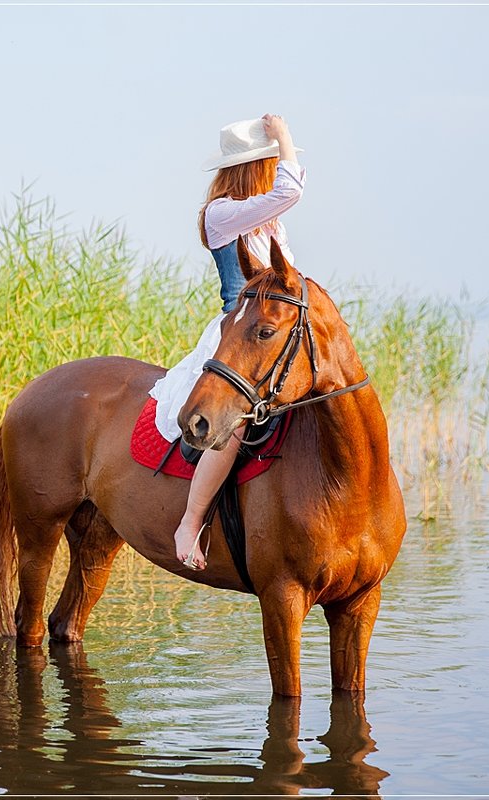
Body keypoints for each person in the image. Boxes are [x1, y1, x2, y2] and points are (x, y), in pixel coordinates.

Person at [149, 113, 305, 570]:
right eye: (270, 161)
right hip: (238, 336)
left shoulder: (269, 225)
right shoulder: (222, 214)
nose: (277, 167)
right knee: (232, 424)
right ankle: (190, 522)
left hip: (270, 337)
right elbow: (291, 189)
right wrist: (286, 137)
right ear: (254, 169)